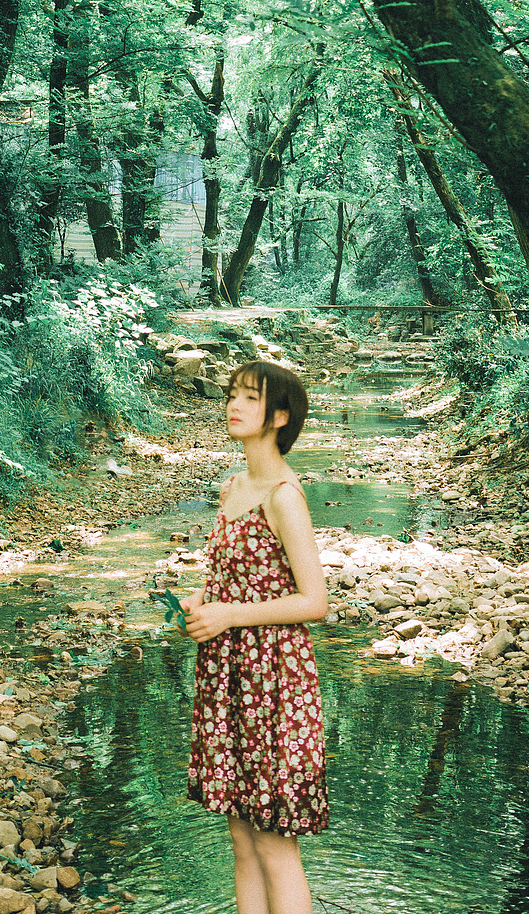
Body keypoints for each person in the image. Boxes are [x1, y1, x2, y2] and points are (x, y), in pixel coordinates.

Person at [182, 361, 329, 914]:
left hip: (274, 679)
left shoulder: (284, 495)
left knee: (273, 839)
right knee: (241, 837)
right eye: (232, 394)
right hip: (228, 676)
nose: (233, 405)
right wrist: (201, 603)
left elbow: (315, 602)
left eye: (250, 397)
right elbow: (226, 580)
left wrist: (229, 616)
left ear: (280, 416)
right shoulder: (233, 487)